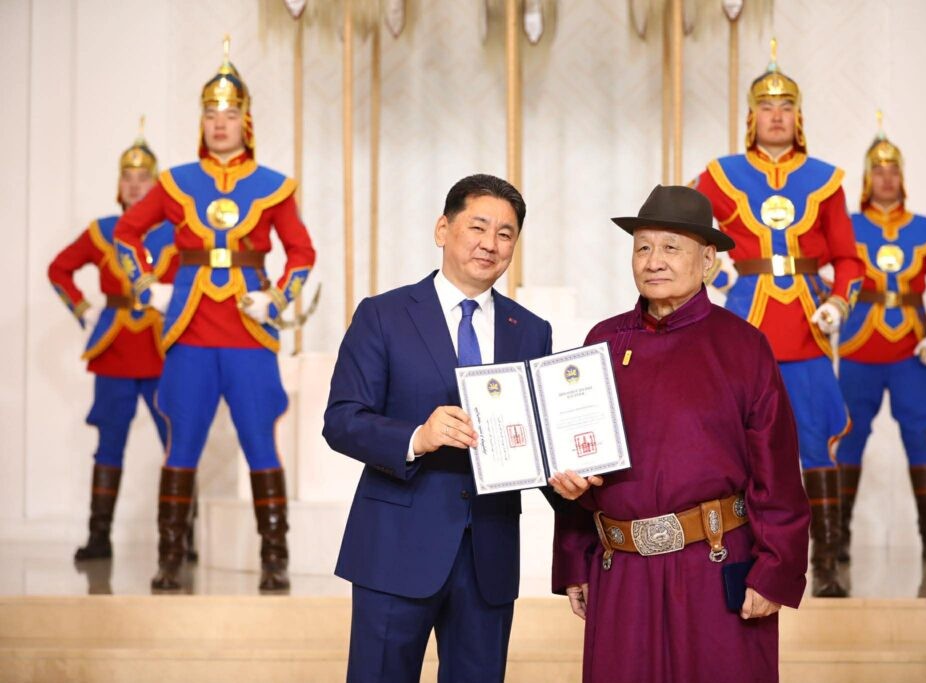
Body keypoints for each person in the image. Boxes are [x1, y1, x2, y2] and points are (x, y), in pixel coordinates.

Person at [549, 185, 810, 683]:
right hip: (621, 571)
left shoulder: (743, 346)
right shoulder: (603, 341)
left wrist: (775, 570)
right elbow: (578, 465)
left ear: (707, 260)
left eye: (671, 247)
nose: (654, 261)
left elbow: (777, 473)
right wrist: (573, 560)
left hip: (713, 564)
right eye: (643, 247)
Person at [323, 174, 554, 683]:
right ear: (442, 230)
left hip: (489, 554)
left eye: (506, 234)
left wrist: (571, 476)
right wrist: (416, 438)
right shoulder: (383, 315)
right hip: (394, 549)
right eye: (478, 227)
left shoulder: (531, 331)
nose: (490, 244)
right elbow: (341, 420)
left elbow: (540, 440)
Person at [114, 38, 316, 592]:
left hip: (250, 332)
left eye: (228, 114)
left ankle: (275, 559)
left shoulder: (274, 186)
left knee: (260, 442)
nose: (219, 123)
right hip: (190, 330)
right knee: (181, 443)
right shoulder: (175, 181)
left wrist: (277, 298)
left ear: (245, 120)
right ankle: (170, 559)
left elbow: (302, 252)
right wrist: (147, 287)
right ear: (201, 121)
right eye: (210, 113)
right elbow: (127, 234)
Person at [694, 39, 864, 596]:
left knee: (816, 445)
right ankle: (743, 558)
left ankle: (828, 563)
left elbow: (848, 259)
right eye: (766, 107)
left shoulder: (826, 179)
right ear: (752, 116)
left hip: (809, 329)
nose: (776, 116)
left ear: (798, 117)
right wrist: (719, 278)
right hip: (745, 326)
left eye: (785, 107)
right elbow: (692, 233)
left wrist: (839, 301)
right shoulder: (721, 175)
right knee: (738, 447)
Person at [48, 123, 178, 563]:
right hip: (115, 352)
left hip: (163, 352)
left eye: (144, 179)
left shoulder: (176, 233)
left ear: (156, 185)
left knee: (177, 441)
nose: (135, 186)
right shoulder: (102, 231)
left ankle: (179, 537)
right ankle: (99, 536)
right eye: (128, 178)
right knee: (109, 444)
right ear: (118, 185)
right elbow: (59, 269)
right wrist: (82, 309)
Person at [836, 116, 926, 564]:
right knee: (849, 439)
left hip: (911, 353)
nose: (886, 178)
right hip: (858, 350)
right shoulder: (846, 226)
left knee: (919, 439)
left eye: (893, 171)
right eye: (878, 170)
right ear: (867, 179)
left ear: (902, 178)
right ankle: (837, 539)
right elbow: (824, 277)